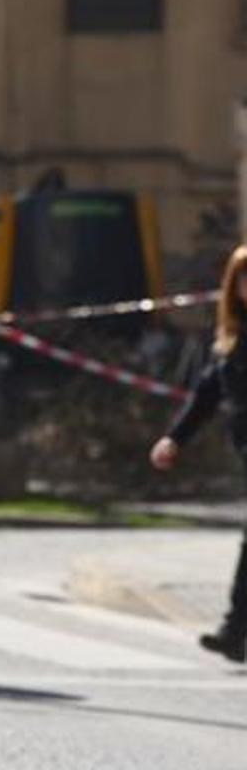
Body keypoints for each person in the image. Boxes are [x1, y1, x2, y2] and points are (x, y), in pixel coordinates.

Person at [150, 243, 247, 663]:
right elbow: (206, 394)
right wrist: (174, 438)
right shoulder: (232, 339)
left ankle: (233, 629)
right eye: (244, 278)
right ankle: (234, 630)